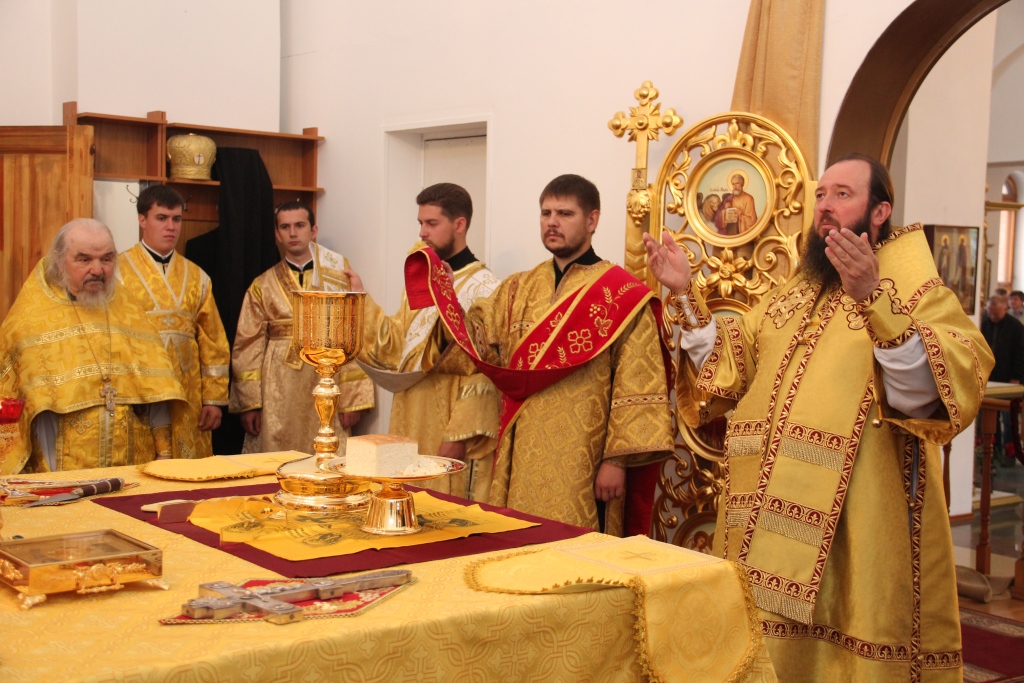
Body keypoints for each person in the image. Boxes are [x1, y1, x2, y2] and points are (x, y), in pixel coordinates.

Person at [644, 154, 992, 682]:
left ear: (880, 212)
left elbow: (939, 387)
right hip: (763, 512)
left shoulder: (916, 289)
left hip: (858, 513)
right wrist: (684, 292)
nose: (825, 206)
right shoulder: (792, 294)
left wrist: (874, 301)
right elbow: (733, 364)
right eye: (821, 195)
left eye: (843, 195)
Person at [415, 174, 674, 534]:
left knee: (573, 548)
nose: (552, 222)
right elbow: (476, 346)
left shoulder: (621, 294)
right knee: (518, 539)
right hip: (520, 449)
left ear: (592, 220)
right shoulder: (518, 287)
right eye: (546, 213)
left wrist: (615, 462)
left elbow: (637, 381)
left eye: (565, 214)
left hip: (583, 457)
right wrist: (445, 295)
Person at [351, 183, 501, 501]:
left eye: (432, 223)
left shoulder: (486, 288)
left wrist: (458, 435)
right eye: (420, 223)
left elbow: (486, 371)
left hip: (448, 420)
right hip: (409, 413)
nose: (422, 232)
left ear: (459, 224)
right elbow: (396, 346)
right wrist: (358, 299)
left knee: (444, 508)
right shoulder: (424, 281)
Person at [0, 219, 186, 473]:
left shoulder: (131, 314)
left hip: (133, 473)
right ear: (59, 261)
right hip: (60, 474)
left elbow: (159, 394)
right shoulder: (29, 321)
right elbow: (11, 408)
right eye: (84, 259)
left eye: (106, 259)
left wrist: (164, 455)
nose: (97, 270)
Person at [230, 200, 374, 453]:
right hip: (278, 384)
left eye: (299, 225)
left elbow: (353, 332)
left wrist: (353, 399)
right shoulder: (262, 284)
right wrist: (250, 403)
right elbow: (247, 345)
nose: (293, 233)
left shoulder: (337, 276)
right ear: (277, 234)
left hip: (327, 374)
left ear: (313, 230)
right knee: (276, 451)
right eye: (285, 227)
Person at [118, 185, 231, 459]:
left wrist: (214, 399)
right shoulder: (118, 272)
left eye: (176, 219)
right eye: (161, 218)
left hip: (187, 392)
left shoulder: (197, 276)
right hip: (138, 391)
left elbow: (213, 341)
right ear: (142, 219)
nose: (171, 226)